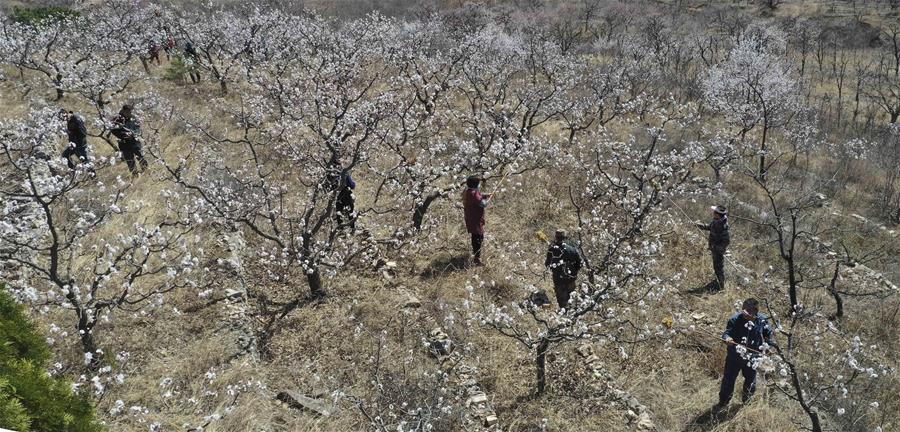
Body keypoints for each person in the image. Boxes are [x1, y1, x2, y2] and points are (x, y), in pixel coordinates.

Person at [716, 298, 777, 410]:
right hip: (734, 358)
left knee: (751, 382)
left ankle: (746, 404)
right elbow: (726, 334)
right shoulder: (735, 319)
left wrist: (769, 347)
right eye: (743, 308)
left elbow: (768, 336)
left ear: (755, 311)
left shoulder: (762, 320)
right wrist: (727, 339)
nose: (744, 311)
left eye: (747, 310)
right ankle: (723, 403)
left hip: (753, 358)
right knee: (728, 381)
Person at [544, 230, 583, 308]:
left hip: (558, 278)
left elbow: (547, 264)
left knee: (561, 300)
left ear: (556, 237)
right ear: (565, 237)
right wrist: (574, 270)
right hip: (571, 277)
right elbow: (580, 263)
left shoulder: (552, 249)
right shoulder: (572, 249)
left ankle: (563, 313)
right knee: (572, 297)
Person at [697, 205, 730, 291]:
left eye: (715, 212)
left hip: (718, 251)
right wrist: (700, 226)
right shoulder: (716, 221)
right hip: (714, 248)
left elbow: (726, 241)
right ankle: (718, 282)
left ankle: (720, 286)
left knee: (719, 268)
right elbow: (709, 227)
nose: (713, 213)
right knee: (716, 267)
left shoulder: (723, 226)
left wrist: (717, 248)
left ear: (718, 215)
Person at [110, 104, 148, 175]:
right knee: (130, 161)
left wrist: (134, 133)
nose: (129, 114)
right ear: (123, 111)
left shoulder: (133, 117)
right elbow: (114, 131)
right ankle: (134, 175)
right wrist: (124, 135)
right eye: (127, 112)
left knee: (140, 156)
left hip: (134, 141)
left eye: (130, 112)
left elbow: (137, 127)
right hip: (124, 143)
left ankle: (146, 171)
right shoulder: (117, 119)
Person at [462, 176, 491, 266]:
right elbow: (483, 204)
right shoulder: (474, 193)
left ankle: (476, 256)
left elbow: (478, 197)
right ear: (476, 185)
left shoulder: (468, 191)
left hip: (470, 217)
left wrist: (485, 195)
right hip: (475, 219)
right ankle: (477, 258)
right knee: (478, 237)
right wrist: (489, 199)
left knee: (477, 236)